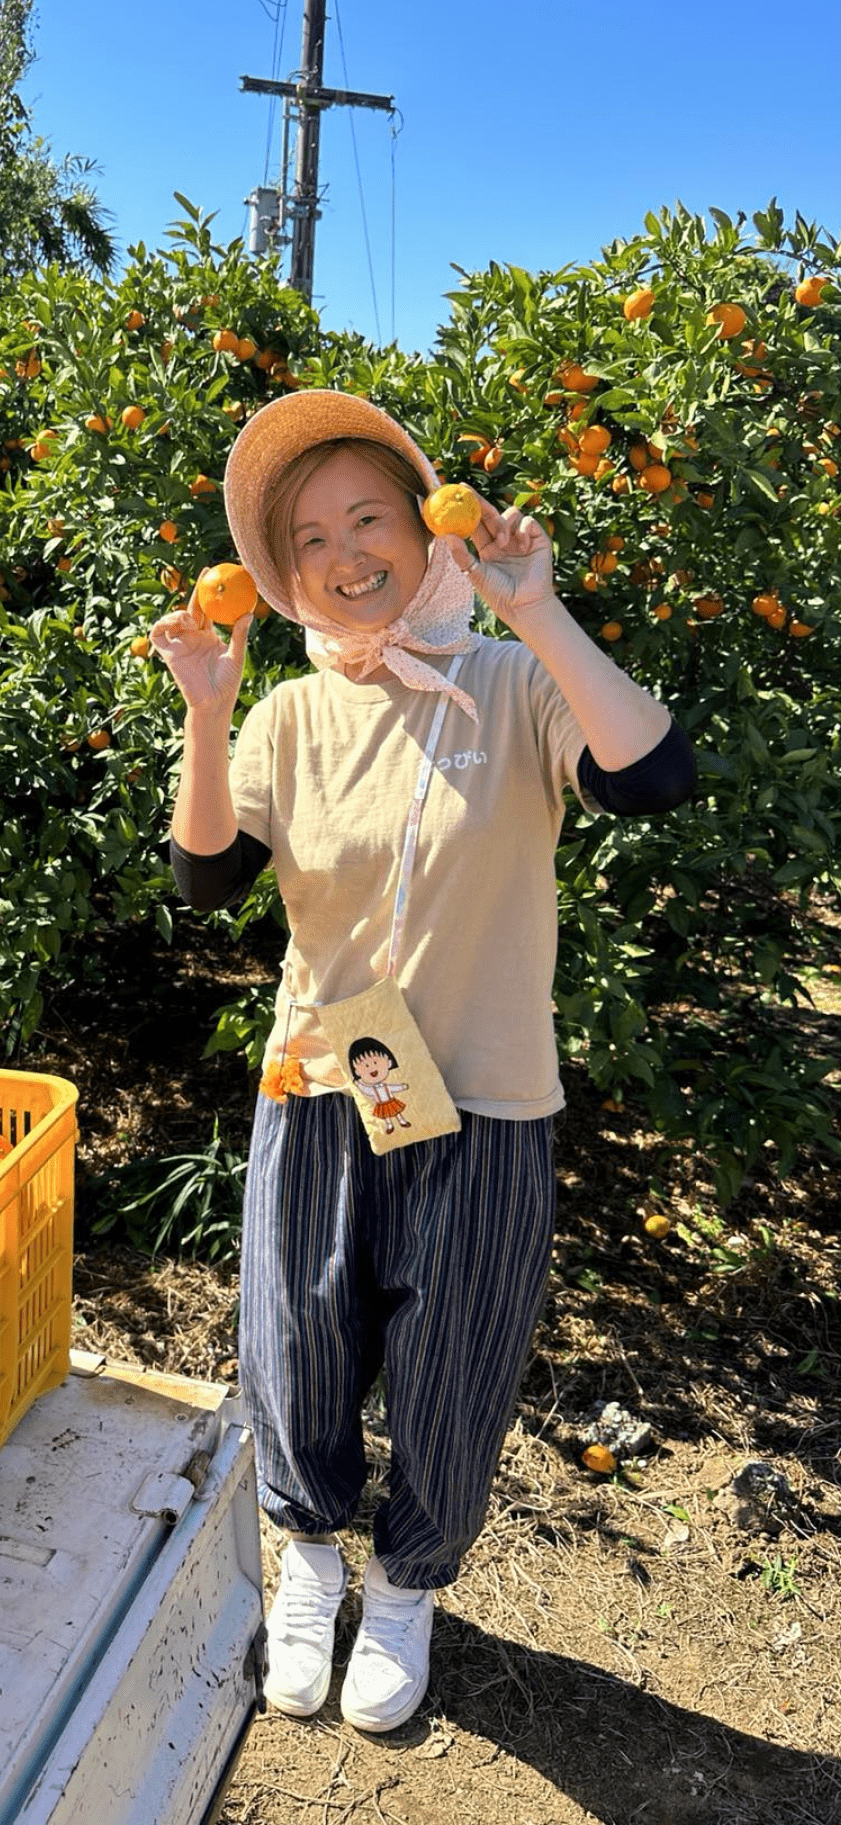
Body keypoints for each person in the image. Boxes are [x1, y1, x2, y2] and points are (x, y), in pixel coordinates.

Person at [149, 389, 696, 1735]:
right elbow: (205, 880)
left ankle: (405, 1588)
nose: (345, 553)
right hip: (321, 1088)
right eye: (310, 536)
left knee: (455, 1363)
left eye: (368, 517)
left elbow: (654, 774)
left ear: (422, 525)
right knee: (299, 1346)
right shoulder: (284, 712)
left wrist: (537, 612)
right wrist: (208, 714)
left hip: (489, 1101)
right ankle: (311, 1561)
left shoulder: (513, 685)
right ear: (282, 574)